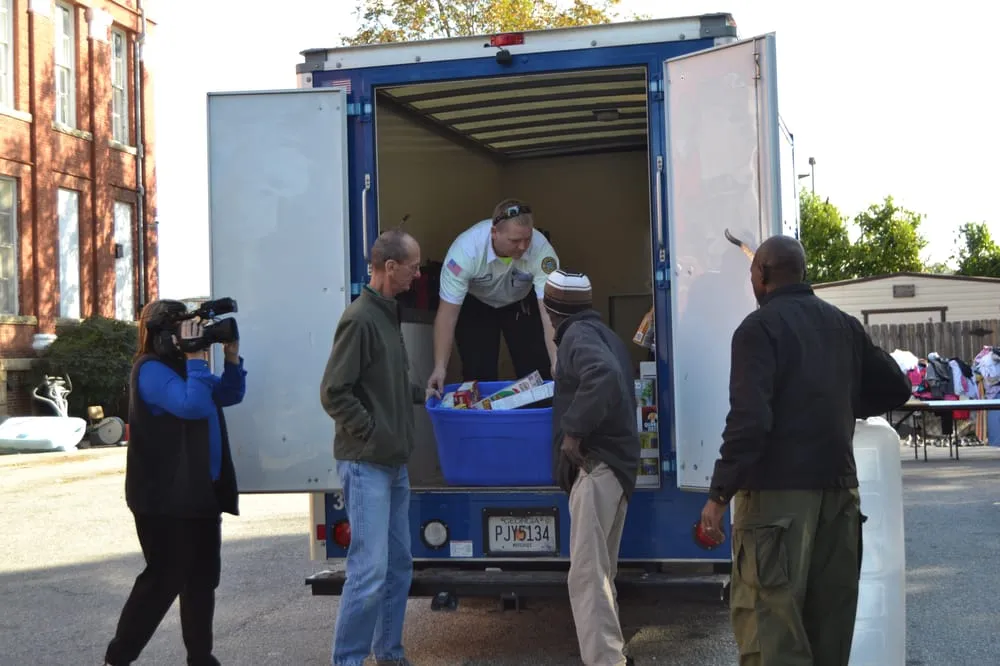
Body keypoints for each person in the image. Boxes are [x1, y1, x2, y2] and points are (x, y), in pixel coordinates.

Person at [698, 236, 912, 666]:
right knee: (829, 632)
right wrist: (843, 403)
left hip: (775, 502)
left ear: (762, 274)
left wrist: (718, 496)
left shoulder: (757, 329)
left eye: (752, 272)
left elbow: (749, 423)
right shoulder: (844, 325)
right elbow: (897, 386)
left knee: (771, 633)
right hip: (839, 498)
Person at [104, 300, 247, 666]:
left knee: (201, 580)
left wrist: (231, 358)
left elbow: (228, 395)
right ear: (161, 334)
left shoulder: (185, 366)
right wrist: (197, 358)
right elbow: (192, 406)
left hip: (199, 494)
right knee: (162, 582)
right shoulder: (150, 370)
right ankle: (118, 659)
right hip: (164, 500)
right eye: (181, 330)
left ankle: (201, 658)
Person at [320, 229, 434, 666]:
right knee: (368, 572)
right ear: (390, 267)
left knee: (398, 566)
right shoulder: (360, 319)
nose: (418, 275)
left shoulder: (387, 315)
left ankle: (389, 653)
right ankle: (348, 660)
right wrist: (370, 432)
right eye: (413, 267)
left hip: (392, 463)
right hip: (367, 462)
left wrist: (425, 394)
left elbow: (385, 384)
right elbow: (334, 392)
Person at [544, 269, 640, 666]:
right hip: (615, 468)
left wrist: (573, 431)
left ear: (551, 310)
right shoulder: (603, 334)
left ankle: (606, 662)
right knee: (600, 574)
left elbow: (602, 375)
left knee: (587, 574)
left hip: (597, 467)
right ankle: (613, 656)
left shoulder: (578, 336)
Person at [427, 198, 560, 393]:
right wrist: (440, 368)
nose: (523, 246)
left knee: (536, 369)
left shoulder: (541, 250)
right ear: (494, 233)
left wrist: (557, 360)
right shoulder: (465, 251)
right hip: (477, 302)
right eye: (515, 241)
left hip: (520, 301)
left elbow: (549, 312)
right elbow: (447, 315)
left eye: (527, 239)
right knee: (478, 371)